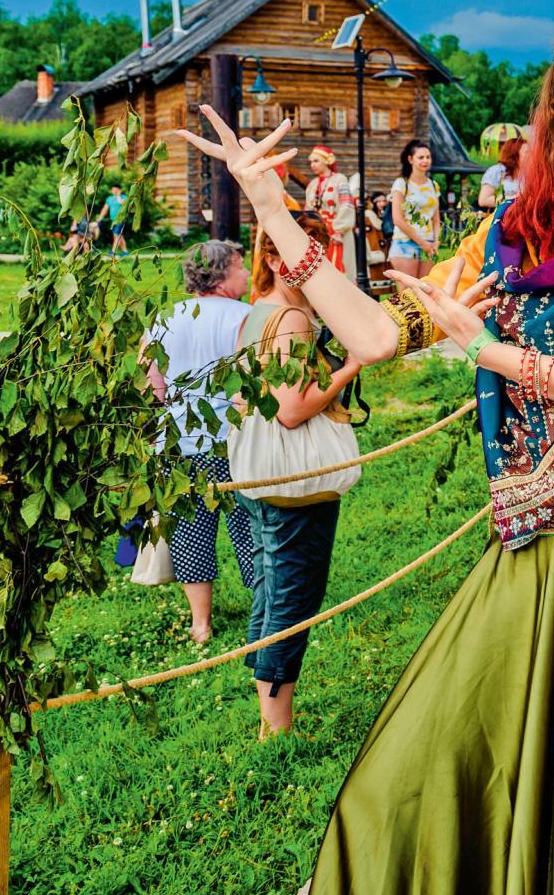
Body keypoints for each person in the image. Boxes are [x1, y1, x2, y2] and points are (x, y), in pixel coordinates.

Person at [179, 14, 554, 895]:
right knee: (405, 785)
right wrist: (271, 209)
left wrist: (490, 351)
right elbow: (377, 333)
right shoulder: (515, 232)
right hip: (532, 544)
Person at [232, 210, 362, 735]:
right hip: (293, 478)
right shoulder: (292, 318)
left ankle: (269, 713)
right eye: (294, 252)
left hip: (259, 469)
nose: (308, 263)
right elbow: (292, 409)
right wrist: (351, 366)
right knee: (293, 595)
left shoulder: (259, 310)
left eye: (315, 252)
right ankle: (277, 725)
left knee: (271, 587)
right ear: (270, 258)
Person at [142, 240, 256, 644]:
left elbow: (153, 387)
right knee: (250, 527)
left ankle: (200, 624)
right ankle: (265, 612)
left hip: (178, 443)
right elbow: (248, 387)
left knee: (190, 534)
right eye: (241, 267)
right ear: (222, 275)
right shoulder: (245, 317)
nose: (248, 273)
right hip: (231, 442)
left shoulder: (164, 318)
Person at [388, 140, 439, 279]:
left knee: (425, 287)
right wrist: (421, 243)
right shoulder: (401, 184)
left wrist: (436, 241)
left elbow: (436, 219)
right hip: (405, 243)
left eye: (428, 157)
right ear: (410, 159)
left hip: (428, 244)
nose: (425, 161)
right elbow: (397, 219)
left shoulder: (433, 185)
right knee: (408, 290)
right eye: (421, 157)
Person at [303, 146, 356, 275]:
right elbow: (308, 209)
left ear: (326, 161)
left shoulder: (340, 179)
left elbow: (346, 204)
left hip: (336, 228)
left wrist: (339, 229)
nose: (312, 165)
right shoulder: (313, 184)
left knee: (339, 262)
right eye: (311, 162)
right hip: (317, 230)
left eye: (316, 161)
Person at [478, 136, 525, 210]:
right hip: (501, 214)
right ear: (514, 154)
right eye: (527, 152)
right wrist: (515, 199)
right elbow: (484, 200)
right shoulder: (497, 171)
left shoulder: (528, 173)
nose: (532, 155)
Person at [104, 184, 130, 253]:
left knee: (116, 234)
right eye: (113, 190)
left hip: (120, 219)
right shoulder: (109, 198)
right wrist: (100, 218)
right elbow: (105, 209)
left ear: (119, 190)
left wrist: (118, 195)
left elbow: (122, 204)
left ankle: (113, 251)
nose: (113, 191)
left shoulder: (124, 197)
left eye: (115, 190)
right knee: (120, 235)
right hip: (113, 220)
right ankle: (125, 251)